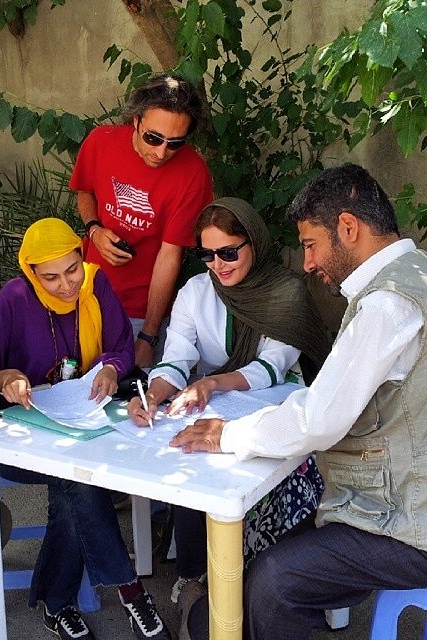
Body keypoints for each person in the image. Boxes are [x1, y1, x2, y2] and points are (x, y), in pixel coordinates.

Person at [170, 163, 427, 640]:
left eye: (311, 244)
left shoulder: (386, 304)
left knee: (278, 581)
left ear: (348, 228)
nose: (307, 262)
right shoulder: (417, 273)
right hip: (400, 497)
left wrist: (229, 434)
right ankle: (208, 620)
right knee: (275, 557)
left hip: (411, 524)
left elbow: (320, 419)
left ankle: (207, 621)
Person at [127, 197, 329, 639]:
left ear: (253, 243)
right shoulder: (196, 292)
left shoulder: (285, 292)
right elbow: (177, 357)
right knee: (186, 453)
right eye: (207, 254)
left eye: (229, 252)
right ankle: (196, 573)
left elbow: (272, 366)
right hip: (217, 403)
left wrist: (212, 384)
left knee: (267, 467)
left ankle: (267, 576)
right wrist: (157, 391)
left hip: (277, 403)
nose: (218, 264)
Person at [0, 217, 171, 640]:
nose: (66, 285)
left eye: (72, 269)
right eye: (51, 276)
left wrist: (112, 370)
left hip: (83, 423)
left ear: (82, 255)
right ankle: (131, 591)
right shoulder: (15, 298)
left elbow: (119, 348)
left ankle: (56, 604)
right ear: (31, 272)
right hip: (26, 436)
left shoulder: (97, 285)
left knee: (73, 483)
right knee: (77, 482)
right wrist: (7, 379)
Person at [70, 72, 214, 368]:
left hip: (139, 312)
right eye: (153, 138)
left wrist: (148, 337)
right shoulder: (101, 141)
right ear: (135, 120)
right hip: (82, 299)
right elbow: (85, 191)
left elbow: (170, 255)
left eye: (175, 143)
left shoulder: (194, 173)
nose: (161, 152)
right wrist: (94, 230)